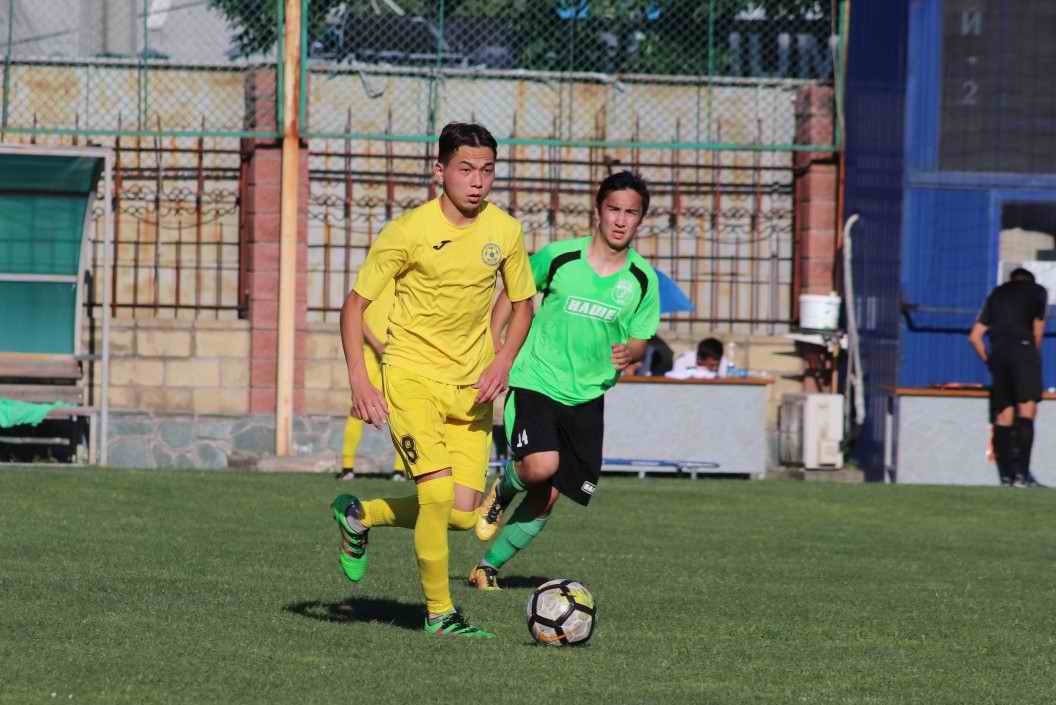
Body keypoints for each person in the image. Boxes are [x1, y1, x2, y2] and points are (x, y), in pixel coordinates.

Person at [330, 122, 536, 637]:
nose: (477, 181)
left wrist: (503, 362)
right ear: (440, 171)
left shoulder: (505, 231)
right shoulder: (407, 232)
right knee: (437, 494)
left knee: (463, 515)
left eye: (487, 170)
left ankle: (359, 515)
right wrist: (360, 381)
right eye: (465, 169)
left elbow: (523, 305)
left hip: (471, 387)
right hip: (411, 377)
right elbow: (354, 307)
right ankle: (440, 614)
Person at [467, 170, 661, 591]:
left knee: (549, 494)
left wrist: (631, 353)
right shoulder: (559, 257)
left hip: (588, 395)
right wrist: (495, 342)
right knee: (541, 466)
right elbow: (515, 292)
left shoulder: (642, 279)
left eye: (631, 213)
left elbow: (641, 337)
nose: (621, 220)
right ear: (598, 210)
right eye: (614, 209)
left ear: (640, 219)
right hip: (537, 379)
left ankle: (487, 568)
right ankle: (503, 489)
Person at [968, 267, 1047, 487]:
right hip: (1024, 351)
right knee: (1027, 413)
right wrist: (1031, 359)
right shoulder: (1038, 292)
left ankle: (1006, 477)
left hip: (999, 355)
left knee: (1004, 416)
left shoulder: (996, 294)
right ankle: (1022, 475)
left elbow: (974, 337)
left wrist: (990, 363)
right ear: (1030, 281)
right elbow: (1037, 332)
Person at [337, 281, 402, 480]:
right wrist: (377, 345)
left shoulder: (408, 278)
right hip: (369, 355)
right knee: (358, 409)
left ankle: (400, 470)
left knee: (402, 410)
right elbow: (355, 313)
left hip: (398, 355)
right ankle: (347, 467)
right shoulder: (374, 277)